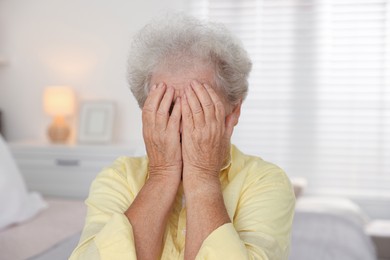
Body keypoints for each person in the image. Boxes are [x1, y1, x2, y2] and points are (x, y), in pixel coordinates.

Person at [70, 14, 295, 260]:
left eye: (198, 108)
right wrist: (161, 174)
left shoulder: (266, 181)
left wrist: (202, 176)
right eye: (166, 108)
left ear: (232, 113)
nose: (179, 125)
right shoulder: (118, 178)